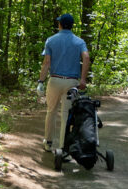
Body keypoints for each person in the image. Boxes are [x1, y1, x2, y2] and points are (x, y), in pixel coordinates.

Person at [36, 13, 90, 152]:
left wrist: (41, 81)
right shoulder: (79, 42)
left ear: (60, 24)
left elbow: (46, 63)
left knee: (51, 111)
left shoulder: (51, 40)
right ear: (71, 25)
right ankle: (63, 146)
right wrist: (83, 79)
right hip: (72, 82)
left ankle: (48, 143)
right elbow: (86, 57)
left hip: (55, 80)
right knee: (66, 113)